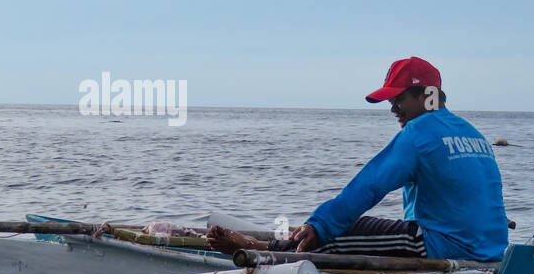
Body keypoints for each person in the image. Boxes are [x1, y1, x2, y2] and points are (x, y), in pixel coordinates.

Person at [208, 57, 508, 261]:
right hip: (491, 249)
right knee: (346, 225)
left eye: (398, 99)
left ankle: (260, 250)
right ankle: (283, 240)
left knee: (345, 229)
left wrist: (320, 224)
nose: (393, 108)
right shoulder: (473, 135)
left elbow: (369, 186)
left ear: (427, 95)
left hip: (447, 246)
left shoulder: (419, 133)